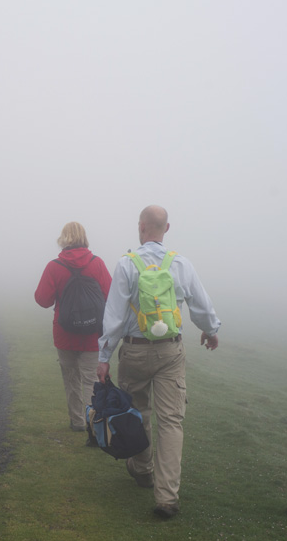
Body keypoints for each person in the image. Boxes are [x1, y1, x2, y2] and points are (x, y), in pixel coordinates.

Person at [96, 205, 220, 520]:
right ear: (167, 228)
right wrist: (210, 331)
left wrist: (104, 357)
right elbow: (201, 305)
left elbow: (114, 316)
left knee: (137, 413)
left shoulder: (126, 264)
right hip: (170, 351)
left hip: (135, 350)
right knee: (171, 422)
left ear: (141, 227)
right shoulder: (181, 264)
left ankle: (142, 469)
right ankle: (166, 497)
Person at [35, 222, 113, 432]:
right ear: (84, 238)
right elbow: (110, 295)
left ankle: (77, 421)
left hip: (64, 334)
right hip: (92, 335)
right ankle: (93, 424)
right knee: (91, 380)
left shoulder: (54, 267)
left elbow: (43, 300)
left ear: (63, 239)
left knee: (71, 380)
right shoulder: (97, 264)